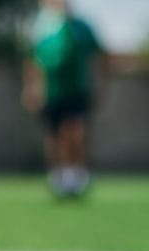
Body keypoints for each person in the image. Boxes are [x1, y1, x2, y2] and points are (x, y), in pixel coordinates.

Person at [22, 0, 107, 198]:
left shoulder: (83, 28)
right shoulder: (42, 29)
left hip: (77, 90)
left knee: (75, 131)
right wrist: (31, 89)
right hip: (51, 92)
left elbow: (98, 58)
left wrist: (100, 86)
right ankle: (57, 176)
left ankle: (76, 174)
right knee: (53, 137)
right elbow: (33, 61)